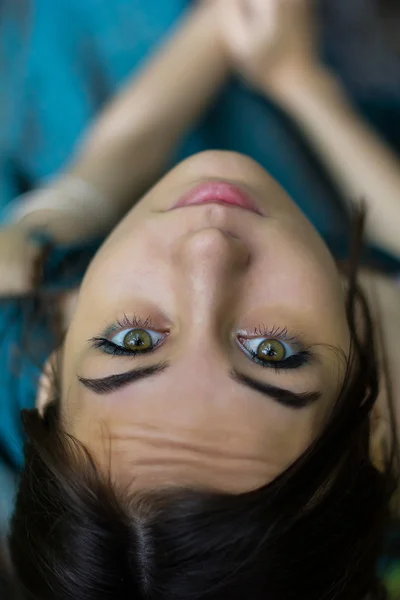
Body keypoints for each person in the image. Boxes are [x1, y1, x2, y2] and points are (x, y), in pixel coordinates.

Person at [1, 1, 400, 598]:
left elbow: (110, 160)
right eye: (271, 351)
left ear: (52, 380)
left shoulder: (20, 292)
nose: (208, 252)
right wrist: (298, 82)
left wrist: (228, 17)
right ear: (372, 426)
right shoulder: (368, 457)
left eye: (133, 340)